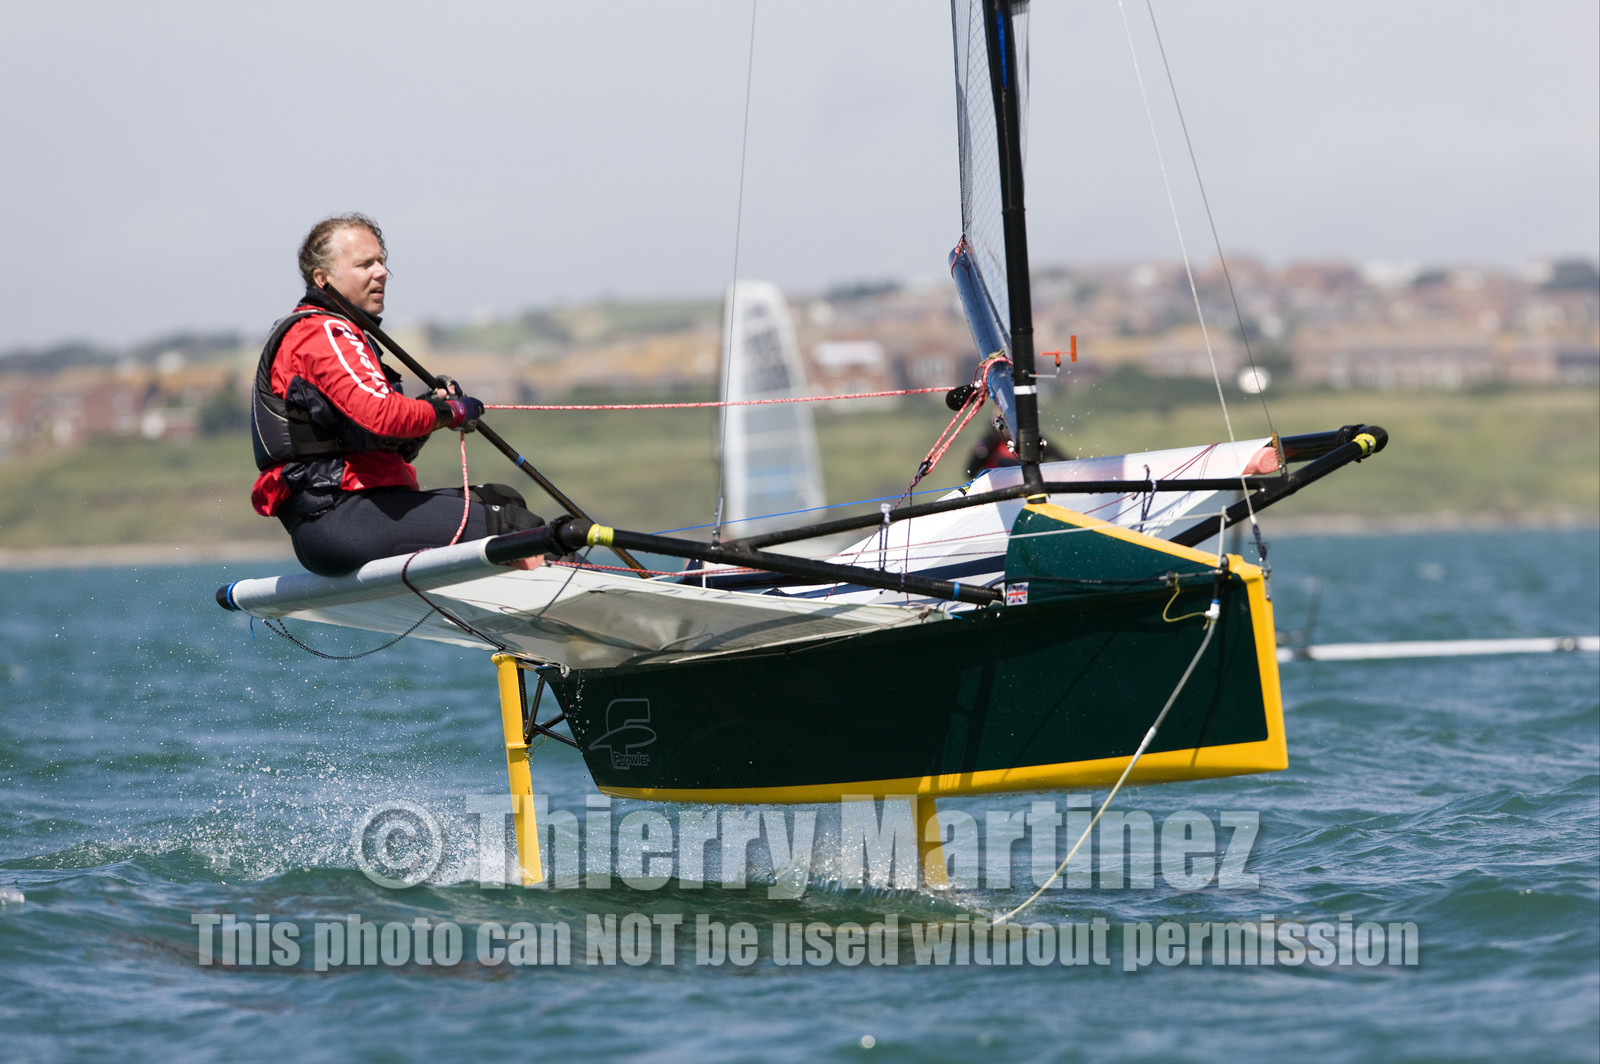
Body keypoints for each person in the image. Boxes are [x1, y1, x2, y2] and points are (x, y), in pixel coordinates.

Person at [251, 213, 545, 576]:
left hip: (347, 518)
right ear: (322, 278)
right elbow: (384, 417)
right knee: (518, 526)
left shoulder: (335, 333)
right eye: (364, 264)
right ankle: (586, 618)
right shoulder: (324, 332)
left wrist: (428, 409)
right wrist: (451, 412)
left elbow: (384, 438)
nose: (381, 273)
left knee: (502, 500)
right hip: (344, 517)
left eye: (381, 262)